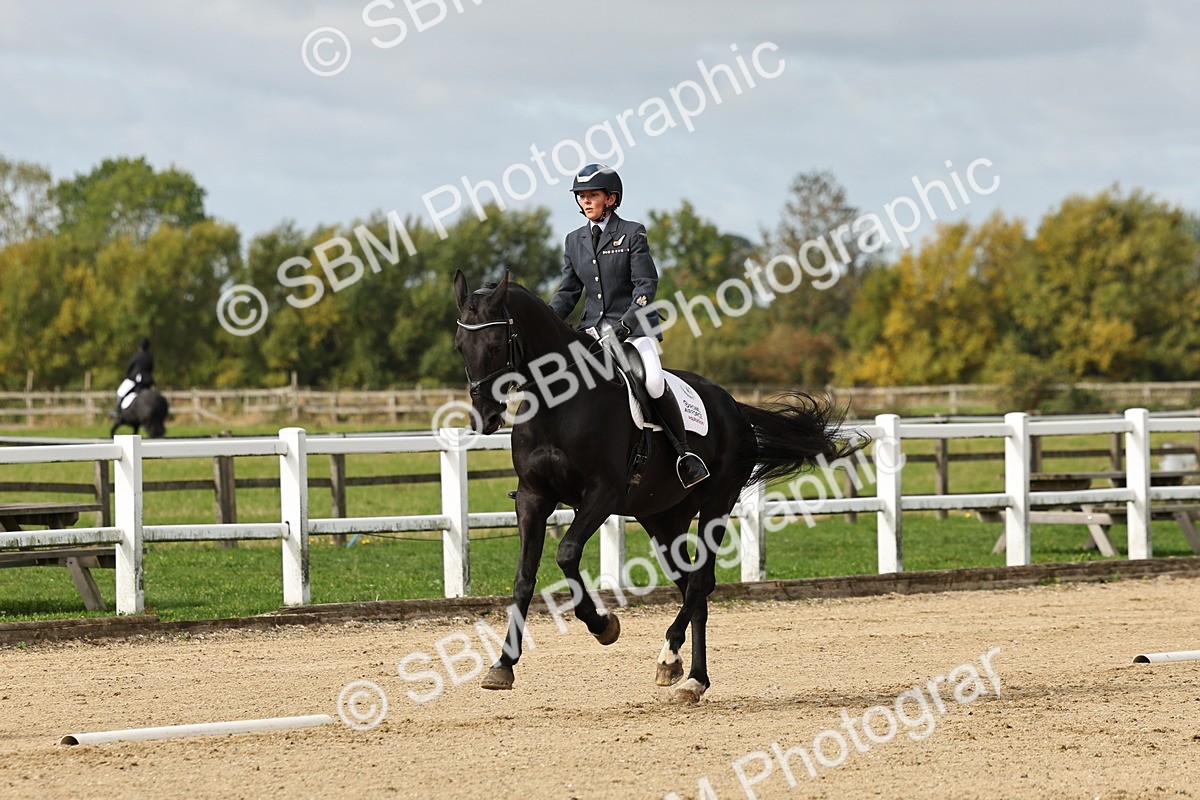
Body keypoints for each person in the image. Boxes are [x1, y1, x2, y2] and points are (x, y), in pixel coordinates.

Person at [548, 163, 709, 488]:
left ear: (611, 198)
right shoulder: (573, 240)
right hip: (591, 332)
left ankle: (684, 455)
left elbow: (645, 284)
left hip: (633, 331)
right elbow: (568, 292)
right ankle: (549, 467)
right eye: (581, 196)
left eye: (592, 195)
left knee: (650, 382)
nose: (585, 202)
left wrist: (627, 322)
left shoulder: (632, 233)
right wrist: (548, 321)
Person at [115, 336, 155, 417]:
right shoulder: (150, 357)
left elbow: (129, 368)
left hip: (135, 380)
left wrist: (126, 376)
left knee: (120, 392)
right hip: (147, 382)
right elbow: (151, 369)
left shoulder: (135, 356)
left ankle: (118, 411)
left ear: (139, 346)